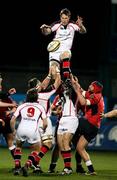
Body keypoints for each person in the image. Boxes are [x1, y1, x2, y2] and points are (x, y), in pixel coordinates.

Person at [27, 66, 61, 172]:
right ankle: (34, 162)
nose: (41, 84)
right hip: (44, 121)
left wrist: (54, 112)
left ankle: (35, 166)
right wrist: (57, 71)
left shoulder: (29, 95)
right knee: (48, 144)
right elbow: (57, 83)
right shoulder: (44, 94)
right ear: (37, 86)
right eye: (39, 83)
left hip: (33, 122)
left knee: (37, 146)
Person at [70, 75, 104, 175]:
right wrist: (74, 82)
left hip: (89, 124)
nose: (90, 86)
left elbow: (83, 101)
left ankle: (66, 142)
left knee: (72, 122)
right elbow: (82, 91)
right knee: (80, 148)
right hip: (94, 127)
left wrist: (76, 91)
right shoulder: (94, 94)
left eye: (92, 85)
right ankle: (91, 169)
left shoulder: (96, 96)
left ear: (96, 88)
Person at [40, 8, 86, 80]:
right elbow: (47, 32)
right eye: (62, 18)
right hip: (54, 51)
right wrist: (43, 28)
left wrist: (81, 26)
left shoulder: (72, 24)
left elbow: (83, 31)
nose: (64, 20)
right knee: (53, 74)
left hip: (65, 50)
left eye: (66, 18)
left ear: (69, 18)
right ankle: (59, 85)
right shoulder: (56, 24)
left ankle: (66, 80)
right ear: (60, 17)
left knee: (66, 55)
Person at [10, 88, 48, 176]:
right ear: (36, 98)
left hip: (21, 129)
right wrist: (43, 129)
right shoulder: (40, 107)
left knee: (18, 147)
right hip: (32, 130)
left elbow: (12, 120)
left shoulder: (22, 105)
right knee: (37, 149)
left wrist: (14, 131)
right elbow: (45, 123)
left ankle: (16, 166)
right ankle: (27, 164)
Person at [56, 80, 79, 175]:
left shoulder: (74, 95)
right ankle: (67, 166)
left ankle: (68, 168)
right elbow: (55, 108)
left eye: (66, 86)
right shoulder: (62, 97)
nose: (65, 87)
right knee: (60, 145)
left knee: (66, 142)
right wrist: (57, 109)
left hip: (71, 119)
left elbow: (75, 88)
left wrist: (72, 82)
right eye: (64, 86)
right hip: (62, 120)